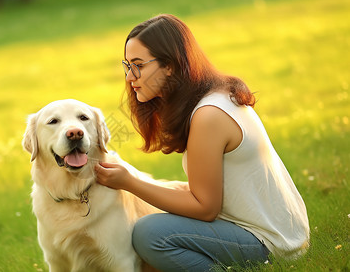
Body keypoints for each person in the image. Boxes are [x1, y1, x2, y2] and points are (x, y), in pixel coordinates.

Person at [95, 14, 309, 271]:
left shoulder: (208, 115)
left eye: (138, 65)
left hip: (270, 244)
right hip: (277, 232)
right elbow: (205, 193)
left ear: (170, 65)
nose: (130, 77)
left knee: (149, 232)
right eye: (127, 65)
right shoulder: (213, 98)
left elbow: (205, 208)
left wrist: (129, 183)